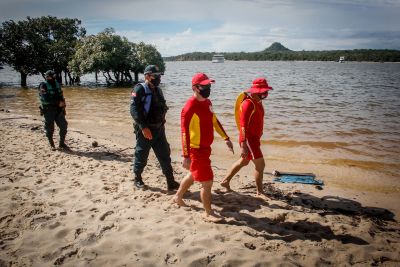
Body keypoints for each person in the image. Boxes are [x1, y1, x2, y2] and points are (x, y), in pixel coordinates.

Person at [172, 73, 234, 222]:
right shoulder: (189, 108)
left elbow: (214, 120)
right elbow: (184, 133)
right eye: (204, 86)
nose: (208, 88)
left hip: (206, 148)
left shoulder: (207, 102)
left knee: (193, 175)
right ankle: (208, 213)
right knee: (207, 182)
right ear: (195, 88)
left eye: (209, 85)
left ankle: (178, 197)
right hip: (195, 150)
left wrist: (226, 138)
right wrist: (186, 156)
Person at [220, 77, 273, 197]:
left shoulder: (258, 102)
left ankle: (225, 181)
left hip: (254, 139)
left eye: (266, 92)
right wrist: (244, 145)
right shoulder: (248, 104)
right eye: (263, 92)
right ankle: (260, 192)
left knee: (243, 161)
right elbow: (243, 126)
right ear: (255, 91)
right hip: (248, 140)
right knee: (260, 165)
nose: (266, 94)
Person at [130, 65, 180, 191]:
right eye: (155, 76)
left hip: (159, 130)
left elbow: (162, 107)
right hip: (146, 130)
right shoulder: (140, 89)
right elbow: (134, 109)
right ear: (147, 76)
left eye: (159, 76)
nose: (158, 78)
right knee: (141, 155)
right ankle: (137, 179)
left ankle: (171, 181)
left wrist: (162, 121)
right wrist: (143, 127)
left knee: (165, 155)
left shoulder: (158, 90)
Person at [38, 70, 69, 150]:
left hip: (59, 110)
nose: (49, 77)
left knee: (64, 126)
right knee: (49, 128)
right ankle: (51, 144)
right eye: (47, 76)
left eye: (51, 76)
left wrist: (63, 107)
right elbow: (45, 98)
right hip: (48, 110)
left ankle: (61, 144)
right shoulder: (43, 85)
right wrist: (58, 102)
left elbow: (61, 96)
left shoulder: (57, 84)